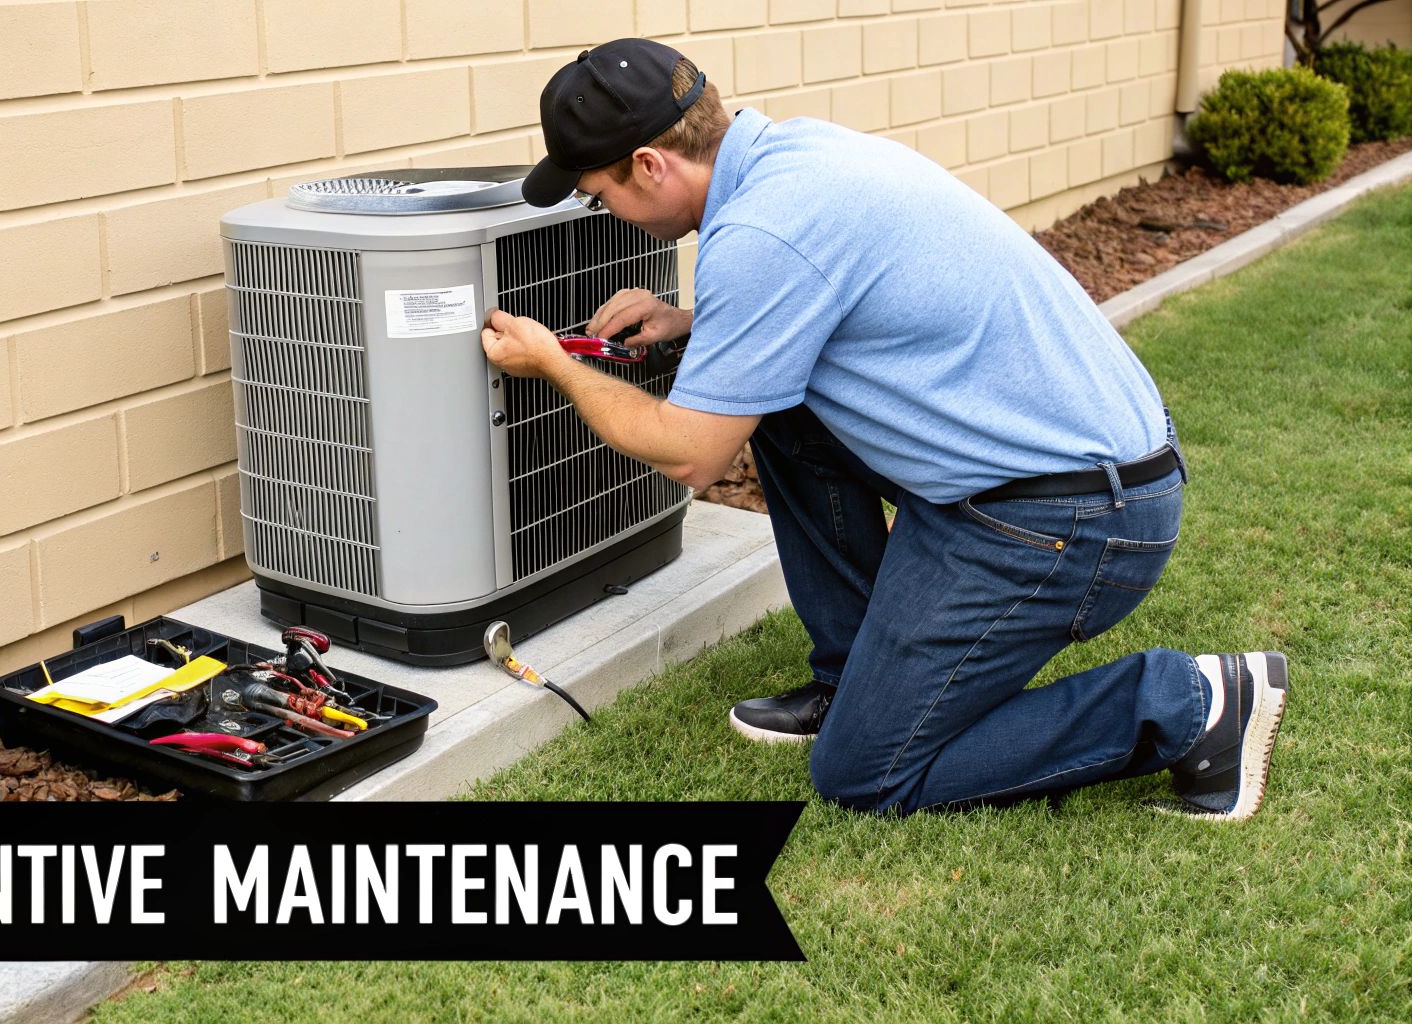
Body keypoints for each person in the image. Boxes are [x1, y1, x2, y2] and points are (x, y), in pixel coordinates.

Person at [478, 37, 1288, 818]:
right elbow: (838, 294)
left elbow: (694, 454)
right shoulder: (800, 157)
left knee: (867, 771)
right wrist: (699, 322)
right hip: (1086, 471)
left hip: (1073, 523)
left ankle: (1192, 704)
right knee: (779, 408)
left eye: (599, 193)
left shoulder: (763, 233)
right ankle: (854, 677)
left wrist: (554, 362)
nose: (604, 211)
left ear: (650, 165)